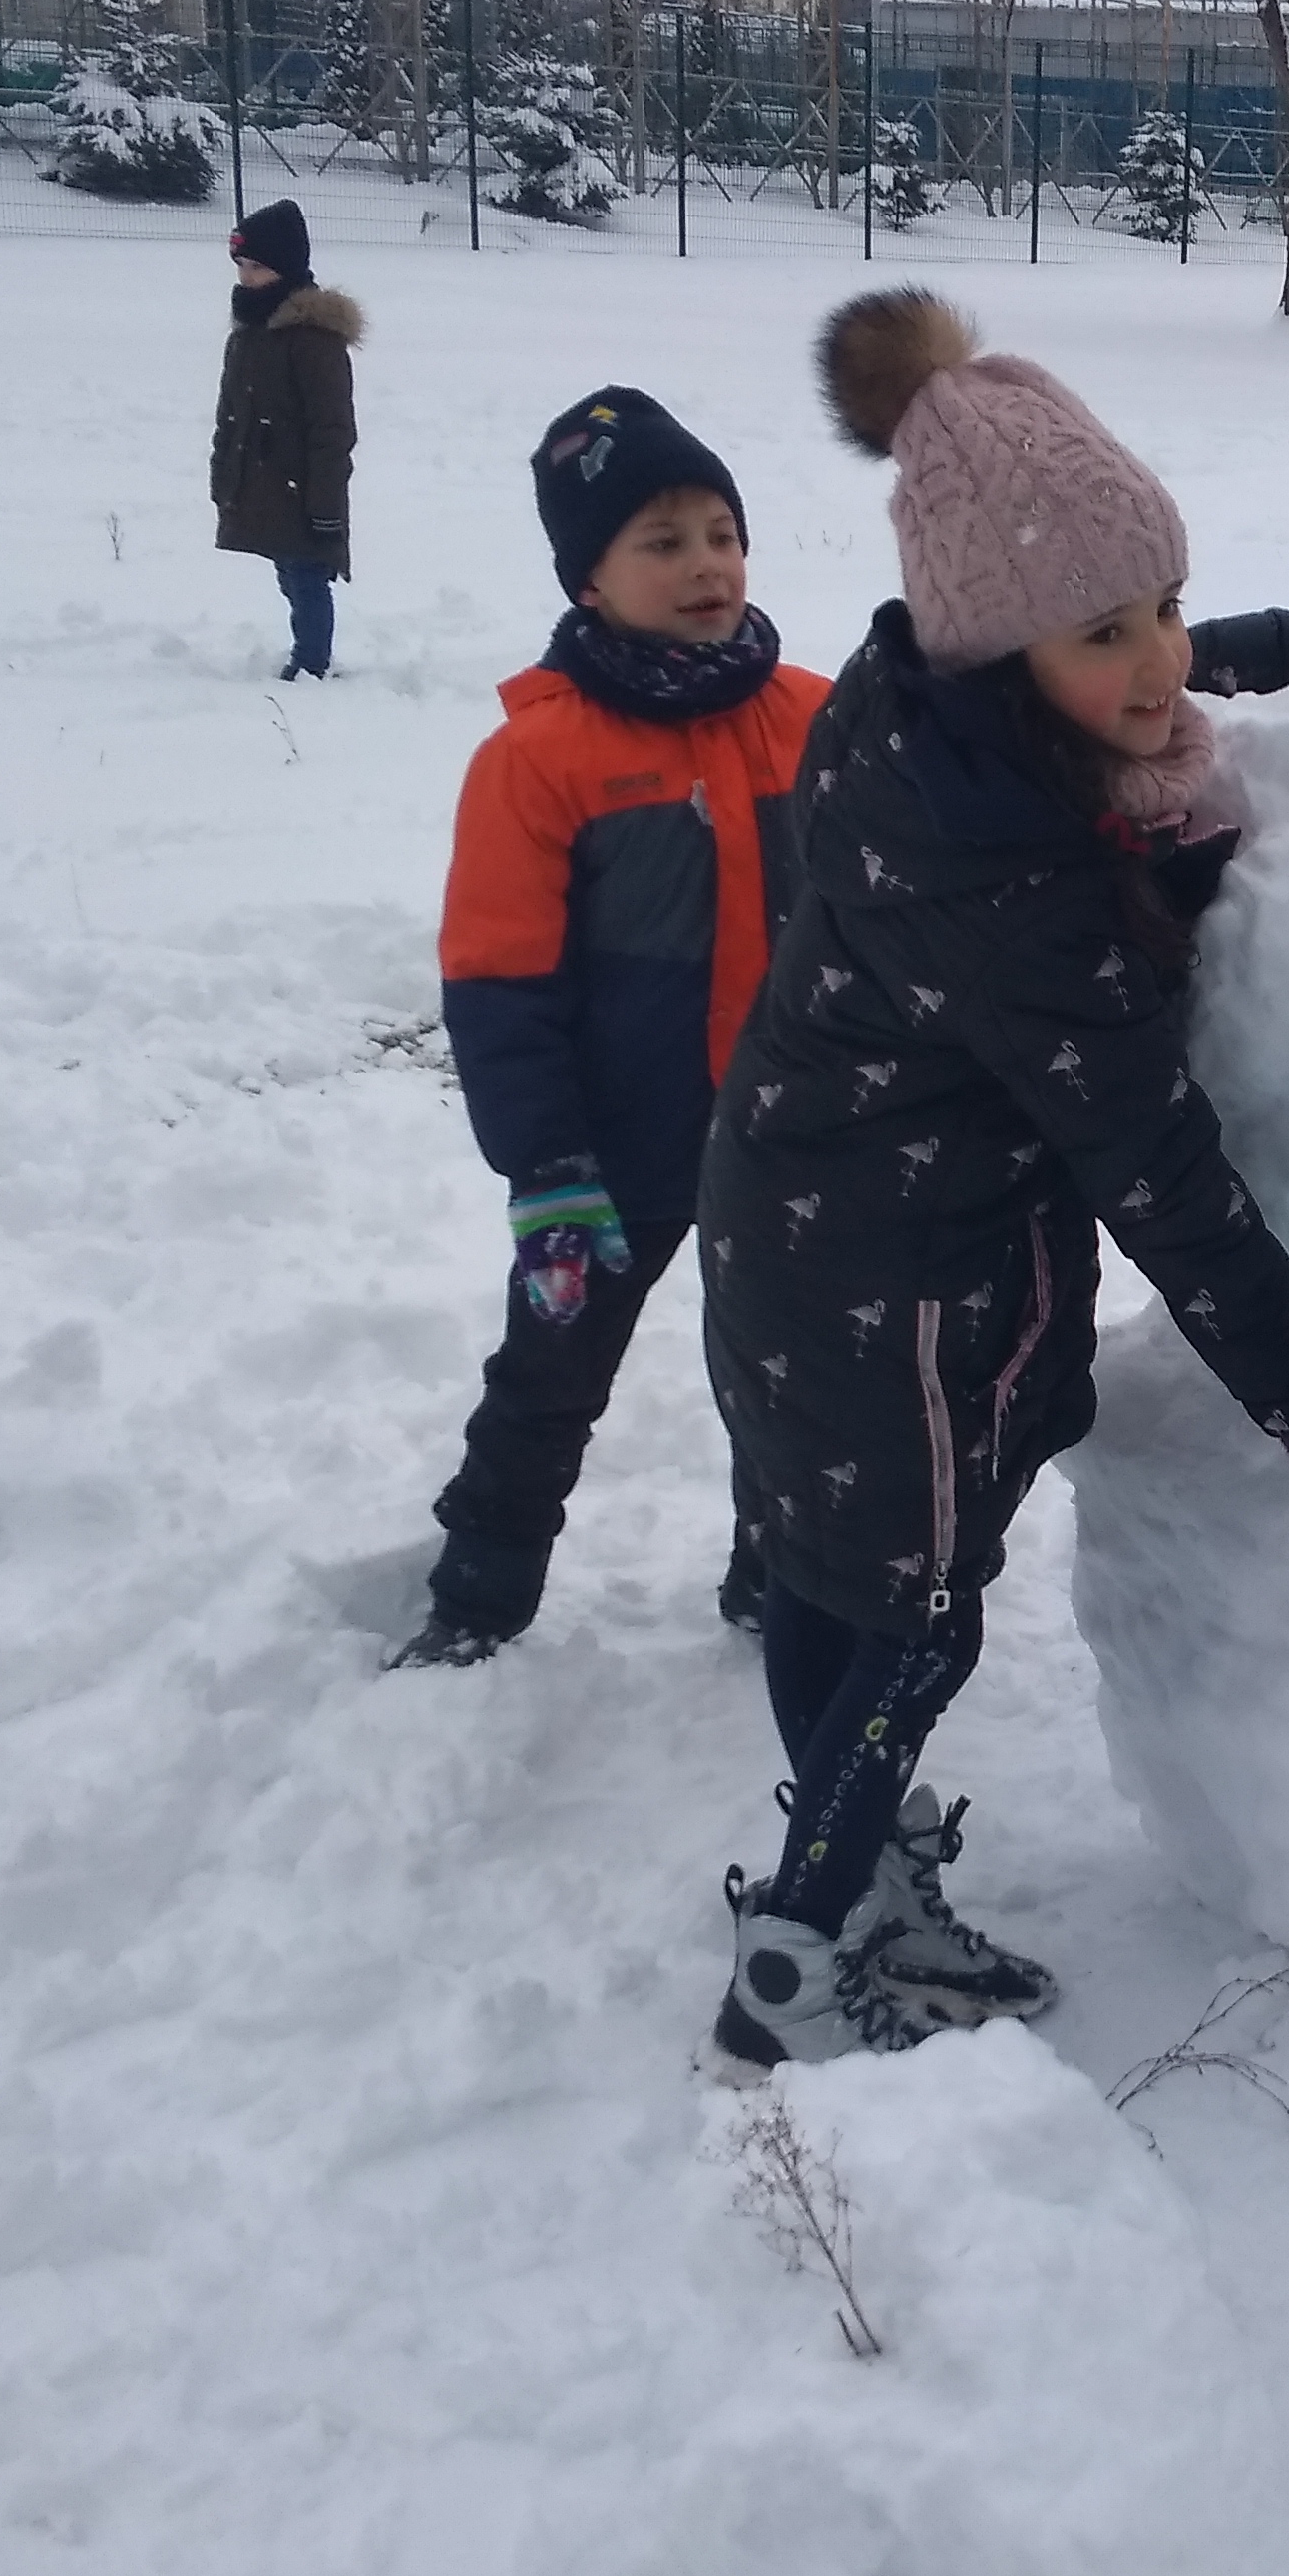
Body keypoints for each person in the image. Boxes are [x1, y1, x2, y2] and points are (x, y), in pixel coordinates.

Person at [699, 289, 1289, 2075]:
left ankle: (847, 1874)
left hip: (805, 1225)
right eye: (1112, 631)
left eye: (1167, 605)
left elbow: (1152, 665)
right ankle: (800, 1952)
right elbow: (1152, 1162)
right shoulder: (1000, 871)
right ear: (1001, 642)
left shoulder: (930, 711)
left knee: (832, 1575)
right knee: (918, 1616)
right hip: (901, 1291)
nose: (1162, 661)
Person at [393, 390, 832, 1672]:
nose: (706, 563)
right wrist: (545, 1167)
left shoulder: (812, 713)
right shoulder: (540, 761)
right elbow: (495, 981)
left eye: (722, 531)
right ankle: (478, 1592)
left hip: (793, 1129)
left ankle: (780, 1576)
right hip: (614, 1150)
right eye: (662, 539)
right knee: (551, 1373)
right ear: (589, 576)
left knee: (796, 1375)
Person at [210, 200, 359, 681]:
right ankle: (307, 653)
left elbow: (332, 428)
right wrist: (223, 473)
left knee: (308, 571)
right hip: (265, 482)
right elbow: (230, 415)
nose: (245, 277)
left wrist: (324, 501)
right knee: (288, 569)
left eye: (257, 267)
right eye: (242, 267)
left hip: (303, 484)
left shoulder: (313, 340)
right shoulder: (249, 335)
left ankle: (312, 662)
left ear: (285, 269)